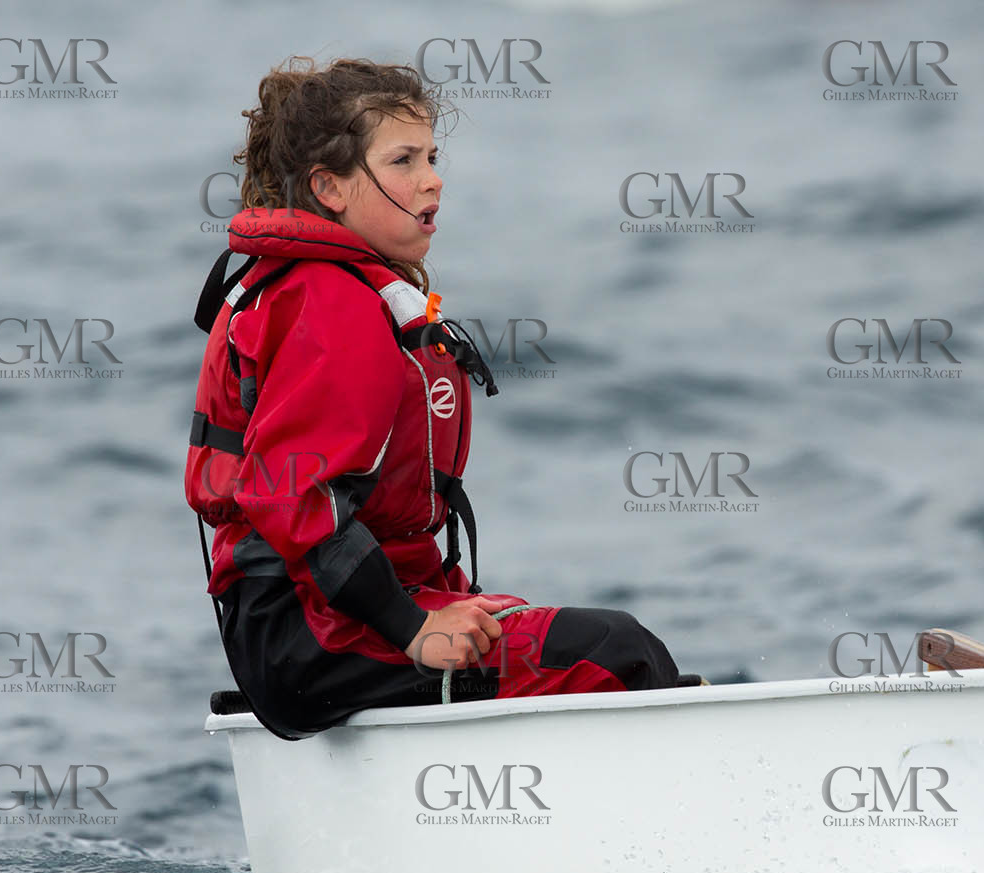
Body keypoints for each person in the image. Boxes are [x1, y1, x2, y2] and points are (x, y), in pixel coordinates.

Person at [184, 57, 681, 740]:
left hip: (331, 620)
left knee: (594, 648)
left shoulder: (337, 291)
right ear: (329, 187)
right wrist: (415, 629)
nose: (433, 177)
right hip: (310, 633)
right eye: (404, 160)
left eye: (433, 155)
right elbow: (291, 495)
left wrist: (441, 612)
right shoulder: (329, 304)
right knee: (616, 655)